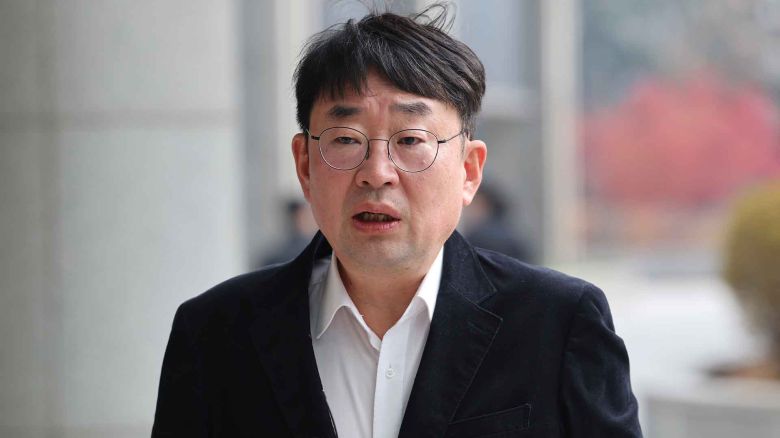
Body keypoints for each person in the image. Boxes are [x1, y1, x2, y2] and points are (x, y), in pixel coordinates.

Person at [152, 5, 642, 438]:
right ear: (304, 166)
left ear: (469, 171)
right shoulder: (215, 334)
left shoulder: (557, 324)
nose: (377, 173)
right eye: (346, 140)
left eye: (410, 141)